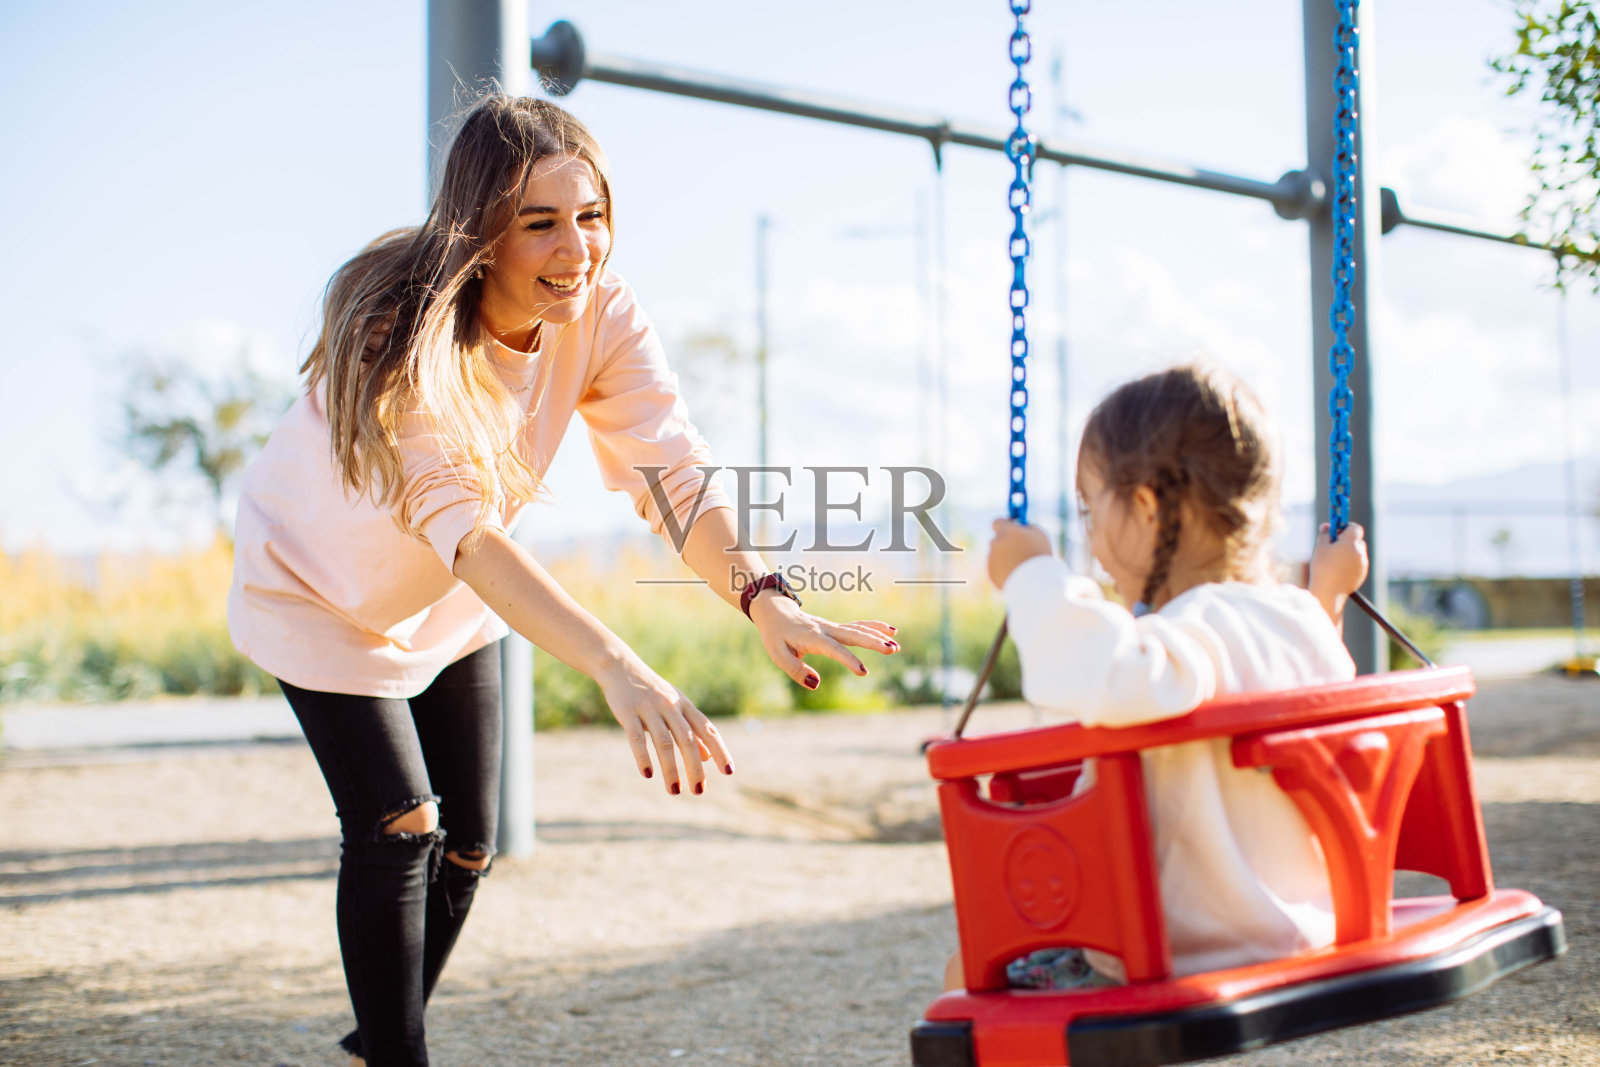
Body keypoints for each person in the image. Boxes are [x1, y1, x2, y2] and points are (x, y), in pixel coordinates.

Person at [228, 94, 899, 1066]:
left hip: (454, 586)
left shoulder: (602, 313)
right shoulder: (403, 340)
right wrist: (616, 663)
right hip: (314, 584)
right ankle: (397, 1048)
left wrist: (765, 594)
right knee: (400, 824)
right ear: (480, 234)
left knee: (470, 841)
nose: (577, 245)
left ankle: (378, 1034)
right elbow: (469, 536)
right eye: (539, 221)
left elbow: (670, 469)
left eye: (590, 214)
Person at [944, 363, 1369, 991]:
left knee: (967, 979)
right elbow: (1294, 667)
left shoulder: (1188, 634)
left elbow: (1110, 674)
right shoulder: (1296, 621)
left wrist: (1034, 575)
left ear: (1145, 507)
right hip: (1300, 927)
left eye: (1091, 511)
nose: (1089, 539)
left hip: (1177, 950)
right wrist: (1327, 596)